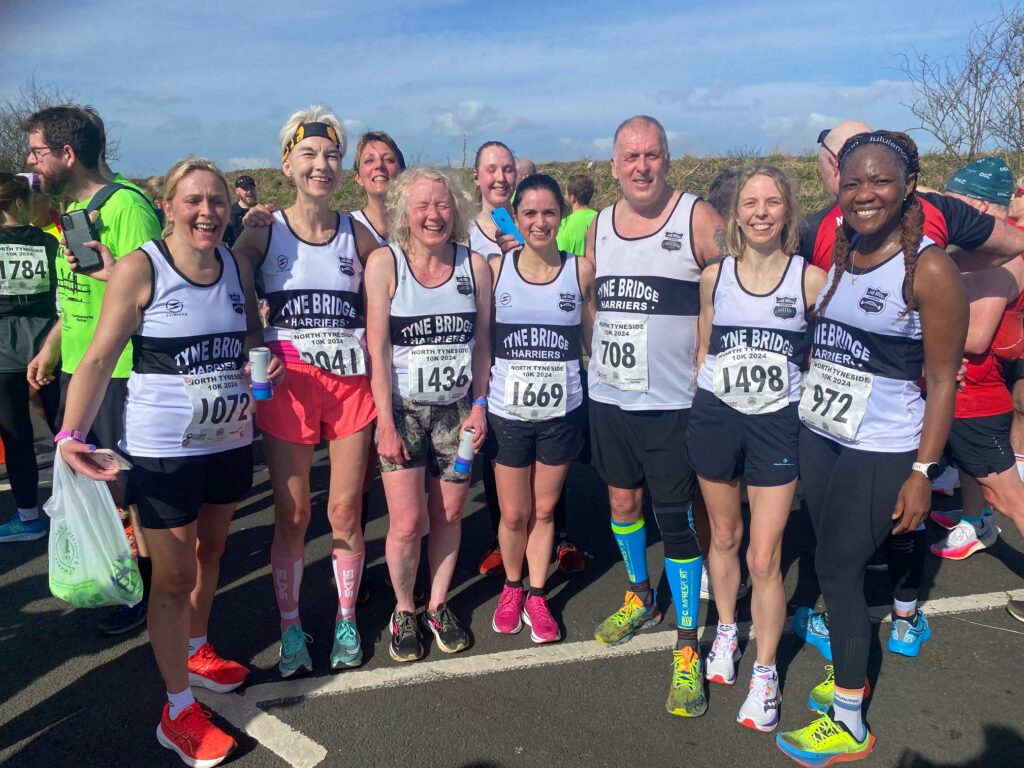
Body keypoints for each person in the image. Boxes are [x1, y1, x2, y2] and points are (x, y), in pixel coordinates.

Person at [56, 157, 283, 768]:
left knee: (212, 555)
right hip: (163, 449)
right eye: (193, 200)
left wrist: (265, 360)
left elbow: (251, 339)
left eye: (216, 200)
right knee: (174, 576)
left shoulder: (236, 265)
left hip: (229, 437)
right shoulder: (141, 268)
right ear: (168, 207)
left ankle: (200, 649)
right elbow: (100, 358)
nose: (207, 211)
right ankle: (176, 709)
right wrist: (71, 434)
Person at [776, 131, 967, 765]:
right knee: (839, 566)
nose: (864, 194)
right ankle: (848, 667)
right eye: (852, 181)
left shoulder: (931, 267)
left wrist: (922, 471)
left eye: (880, 180)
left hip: (882, 445)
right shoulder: (845, 251)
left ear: (909, 185)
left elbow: (942, 381)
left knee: (835, 568)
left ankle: (850, 720)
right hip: (824, 435)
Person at [233, 106, 382, 678]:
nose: (322, 166)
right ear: (288, 164)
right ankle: (291, 626)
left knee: (345, 511)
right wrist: (252, 337)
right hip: (288, 384)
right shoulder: (264, 229)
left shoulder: (356, 230)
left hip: (349, 388)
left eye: (331, 156)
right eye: (310, 155)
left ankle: (345, 616)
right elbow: (226, 269)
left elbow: (402, 268)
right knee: (293, 514)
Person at [587, 115, 727, 718]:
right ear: (614, 165)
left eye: (652, 155)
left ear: (667, 160)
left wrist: (708, 367)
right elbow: (591, 299)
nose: (641, 166)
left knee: (677, 523)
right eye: (630, 157)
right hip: (612, 399)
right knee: (622, 505)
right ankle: (640, 593)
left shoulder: (696, 217)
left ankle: (687, 644)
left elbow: (727, 293)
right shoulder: (598, 224)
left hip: (673, 404)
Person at [687, 166, 826, 731]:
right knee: (722, 535)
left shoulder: (811, 280)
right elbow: (704, 346)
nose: (761, 211)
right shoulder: (713, 277)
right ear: (736, 213)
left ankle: (765, 671)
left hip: (777, 425)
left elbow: (834, 350)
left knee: (764, 558)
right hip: (719, 417)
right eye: (751, 202)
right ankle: (726, 629)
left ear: (788, 211)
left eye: (772, 202)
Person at [23, 104, 162, 635]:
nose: (32, 163)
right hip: (81, 370)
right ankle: (128, 576)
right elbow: (75, 293)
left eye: (37, 152)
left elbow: (150, 294)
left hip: (120, 371)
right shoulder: (69, 213)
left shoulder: (129, 207)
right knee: (107, 487)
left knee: (128, 487)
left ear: (67, 153)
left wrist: (109, 276)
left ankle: (145, 590)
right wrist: (53, 347)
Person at [364, 165, 491, 662]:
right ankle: (403, 608)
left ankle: (437, 604)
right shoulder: (385, 263)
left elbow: (482, 343)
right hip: (404, 410)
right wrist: (385, 422)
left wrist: (479, 406)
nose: (433, 215)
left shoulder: (473, 265)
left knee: (451, 515)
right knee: (406, 521)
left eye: (442, 205)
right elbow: (378, 349)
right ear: (403, 213)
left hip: (456, 412)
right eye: (422, 206)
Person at [487, 174, 596, 644]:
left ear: (562, 215)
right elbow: (478, 342)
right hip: (506, 412)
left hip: (561, 410)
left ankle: (536, 593)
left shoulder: (582, 270)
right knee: (514, 513)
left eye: (549, 212)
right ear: (515, 215)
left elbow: (593, 339)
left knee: (546, 508)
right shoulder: (495, 270)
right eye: (529, 213)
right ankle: (511, 587)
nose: (539, 222)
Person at [801, 121, 1024, 272]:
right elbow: (1013, 242)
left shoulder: (812, 228)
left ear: (835, 165)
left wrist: (937, 270)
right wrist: (944, 268)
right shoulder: (938, 207)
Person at [0, 174, 60, 542]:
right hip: (48, 348)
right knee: (67, 433)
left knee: (18, 440)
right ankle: (92, 514)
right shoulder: (48, 243)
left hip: (3, 352)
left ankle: (28, 518)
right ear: (20, 204)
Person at [351, 130, 406, 246]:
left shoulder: (417, 227)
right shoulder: (348, 230)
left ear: (402, 173)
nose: (379, 165)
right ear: (358, 178)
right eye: (369, 161)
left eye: (388, 160)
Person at [556, 174, 598, 258]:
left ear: (572, 197)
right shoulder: (601, 219)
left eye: (566, 193)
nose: (565, 196)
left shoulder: (563, 225)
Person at [224, 175, 257, 246]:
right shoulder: (229, 213)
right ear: (237, 191)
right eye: (245, 188)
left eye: (252, 188)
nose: (249, 191)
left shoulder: (262, 212)